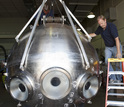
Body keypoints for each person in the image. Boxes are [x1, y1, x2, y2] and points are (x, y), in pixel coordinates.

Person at [89, 15, 122, 83]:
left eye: (102, 23)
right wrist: (85, 35)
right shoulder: (100, 28)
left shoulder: (111, 26)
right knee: (107, 62)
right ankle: (113, 78)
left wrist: (118, 52)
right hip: (108, 47)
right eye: (100, 24)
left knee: (117, 63)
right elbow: (95, 34)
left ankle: (119, 79)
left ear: (105, 20)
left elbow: (117, 39)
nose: (101, 25)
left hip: (116, 46)